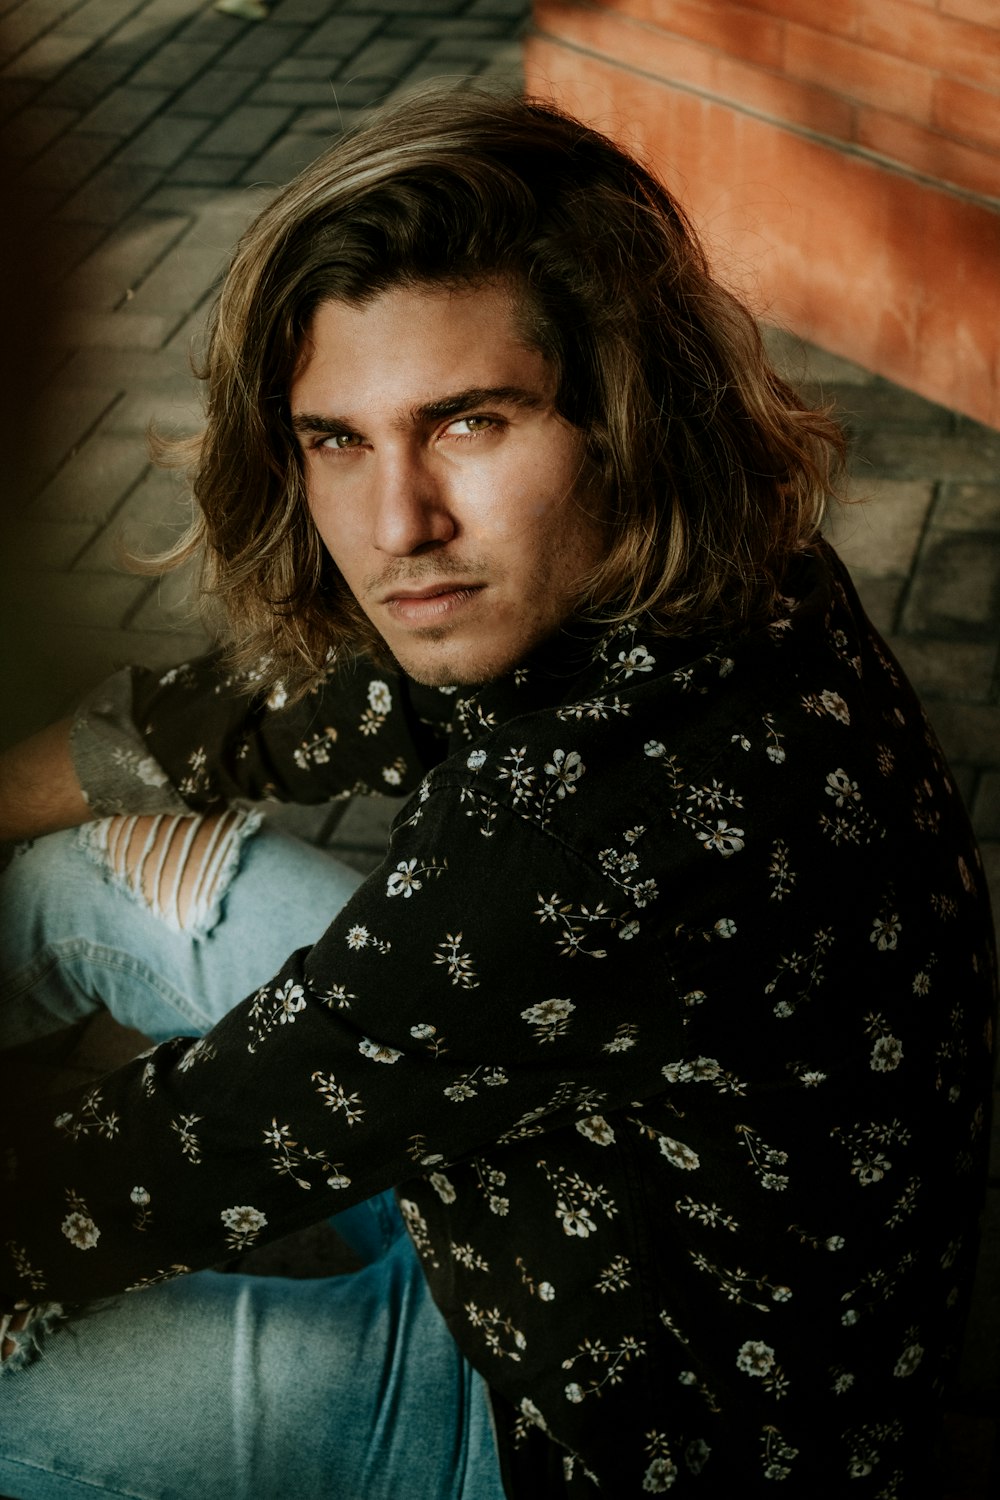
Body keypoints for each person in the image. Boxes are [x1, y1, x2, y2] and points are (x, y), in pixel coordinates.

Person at [0, 90, 995, 1498]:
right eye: (337, 438)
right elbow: (285, 712)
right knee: (84, 875)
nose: (396, 524)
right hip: (542, 1213)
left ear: (617, 413)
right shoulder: (684, 559)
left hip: (587, 1426)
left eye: (469, 423)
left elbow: (180, 1156)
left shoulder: (584, 835)